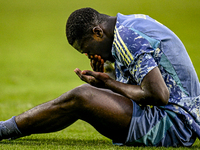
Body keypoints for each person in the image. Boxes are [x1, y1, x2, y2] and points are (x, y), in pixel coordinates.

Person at [0, 7, 200, 147]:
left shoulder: (127, 38)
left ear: (97, 32)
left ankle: (4, 129)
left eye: (86, 49)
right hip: (177, 119)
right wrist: (108, 76)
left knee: (82, 96)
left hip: (175, 127)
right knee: (84, 96)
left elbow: (158, 95)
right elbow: (142, 88)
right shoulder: (129, 24)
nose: (89, 55)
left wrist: (109, 83)